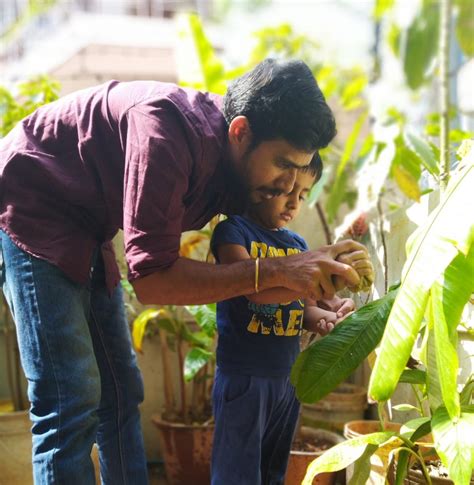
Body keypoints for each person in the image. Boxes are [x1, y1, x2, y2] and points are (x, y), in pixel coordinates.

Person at [0, 58, 373, 484]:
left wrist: (323, 282)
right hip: (34, 197)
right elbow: (153, 280)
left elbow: (266, 270)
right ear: (240, 131)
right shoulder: (165, 135)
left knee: (121, 391)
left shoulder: (243, 168)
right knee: (71, 397)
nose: (289, 189)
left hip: (89, 223)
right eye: (284, 166)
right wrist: (283, 270)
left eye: (301, 176)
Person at [210, 156, 355, 485]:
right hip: (245, 379)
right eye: (286, 189)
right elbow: (253, 289)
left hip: (287, 380)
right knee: (236, 473)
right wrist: (311, 287)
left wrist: (326, 316)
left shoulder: (298, 246)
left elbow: (305, 308)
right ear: (262, 184)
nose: (294, 202)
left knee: (272, 470)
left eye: (303, 195)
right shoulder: (232, 232)